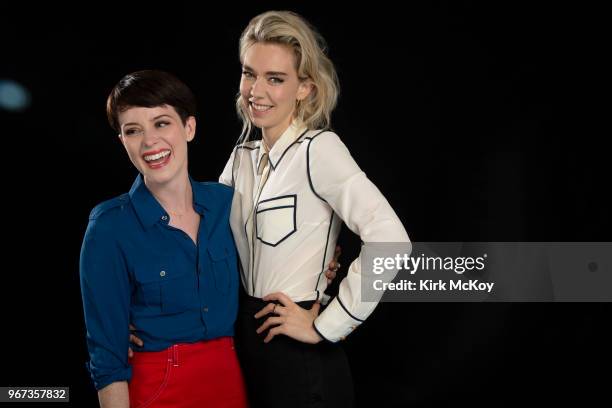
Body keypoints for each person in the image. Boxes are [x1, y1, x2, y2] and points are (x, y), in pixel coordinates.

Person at [219, 10, 411, 408]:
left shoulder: (319, 149)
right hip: (246, 349)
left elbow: (391, 239)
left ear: (304, 87)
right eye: (249, 73)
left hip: (299, 359)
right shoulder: (241, 158)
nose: (256, 90)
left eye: (275, 79)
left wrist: (326, 325)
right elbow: (204, 242)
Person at [79, 70, 248, 408]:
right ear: (123, 142)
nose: (149, 142)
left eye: (161, 123)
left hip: (232, 380)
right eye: (133, 130)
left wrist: (327, 270)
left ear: (189, 127)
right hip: (158, 388)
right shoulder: (109, 227)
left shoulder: (227, 204)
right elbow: (108, 358)